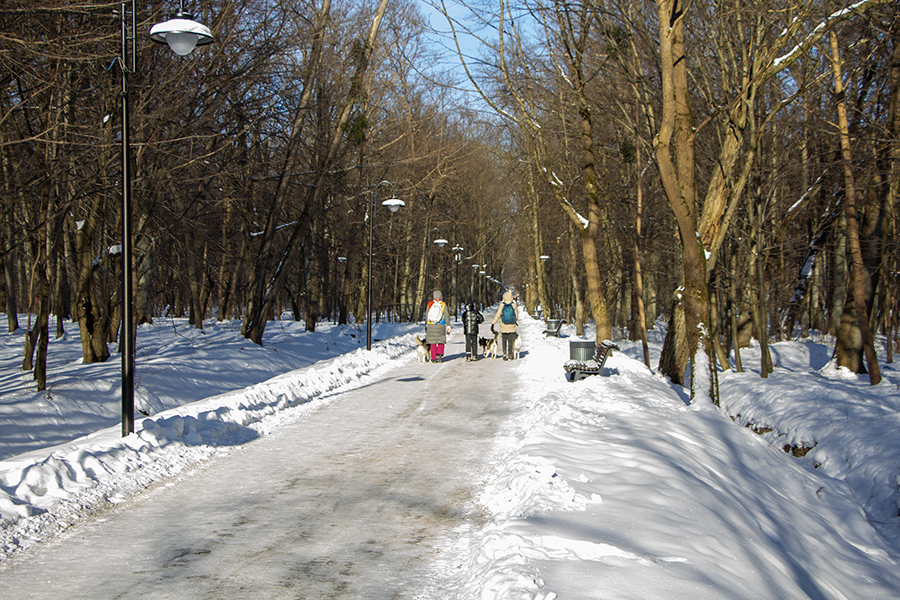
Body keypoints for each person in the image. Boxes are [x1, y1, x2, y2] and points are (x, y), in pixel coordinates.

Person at [491, 290, 519, 361]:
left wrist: (493, 323)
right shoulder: (514, 305)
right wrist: (514, 321)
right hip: (511, 326)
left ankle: (504, 353)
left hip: (503, 326)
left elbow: (497, 315)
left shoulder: (502, 305)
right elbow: (516, 316)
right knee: (510, 341)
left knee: (504, 340)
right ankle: (510, 355)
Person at [425, 290, 450, 362]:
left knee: (432, 342)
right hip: (440, 325)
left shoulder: (430, 304)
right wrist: (448, 325)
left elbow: (427, 314)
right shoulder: (443, 304)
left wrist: (426, 324)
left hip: (431, 325)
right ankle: (439, 354)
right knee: (441, 340)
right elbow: (446, 315)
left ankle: (433, 358)